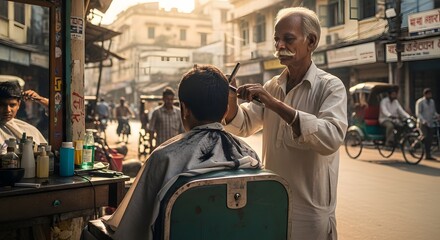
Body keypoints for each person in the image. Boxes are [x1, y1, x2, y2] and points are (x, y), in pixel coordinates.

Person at [224, 7, 347, 240]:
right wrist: (231, 100)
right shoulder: (273, 86)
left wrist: (275, 104)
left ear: (311, 41)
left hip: (310, 214)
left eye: (288, 39)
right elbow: (244, 124)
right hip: (271, 204)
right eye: (277, 40)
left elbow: (331, 138)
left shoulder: (330, 87)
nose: (280, 46)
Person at [97, 64, 260, 240]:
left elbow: (132, 227)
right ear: (226, 110)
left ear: (184, 109)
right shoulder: (249, 155)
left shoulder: (164, 158)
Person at [0, 81, 47, 153]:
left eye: (12, 105)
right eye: (2, 105)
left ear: (18, 104)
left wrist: (41, 100)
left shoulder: (28, 129)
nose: (8, 110)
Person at [415, 88, 439, 160]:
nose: (429, 95)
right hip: (422, 123)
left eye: (430, 94)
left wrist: (437, 116)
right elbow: (418, 113)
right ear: (425, 94)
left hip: (430, 122)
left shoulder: (432, 102)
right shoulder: (420, 102)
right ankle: (415, 145)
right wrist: (423, 120)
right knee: (424, 136)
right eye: (428, 94)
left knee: (430, 139)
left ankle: (428, 155)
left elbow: (433, 111)